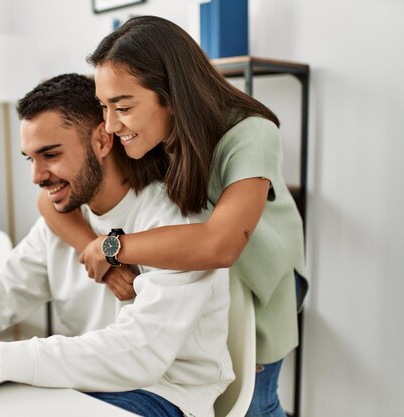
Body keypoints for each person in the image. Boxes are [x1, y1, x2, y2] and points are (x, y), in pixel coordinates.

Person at [0, 73, 233, 417]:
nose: (36, 176)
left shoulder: (175, 219)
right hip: (85, 380)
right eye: (31, 158)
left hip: (164, 392)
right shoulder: (67, 216)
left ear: (103, 140)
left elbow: (140, 353)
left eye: (51, 154)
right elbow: (4, 289)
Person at [37, 16, 309, 417]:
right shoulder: (141, 131)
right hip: (196, 280)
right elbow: (52, 202)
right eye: (104, 106)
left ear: (171, 94)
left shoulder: (252, 134)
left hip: (260, 282)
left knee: (254, 404)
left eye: (122, 106)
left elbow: (222, 243)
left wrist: (113, 247)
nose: (110, 124)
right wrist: (102, 259)